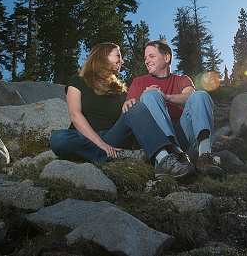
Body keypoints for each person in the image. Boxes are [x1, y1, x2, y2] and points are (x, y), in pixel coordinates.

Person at [49, 43, 196, 180]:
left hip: (112, 138)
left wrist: (131, 103)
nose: (122, 61)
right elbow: (75, 115)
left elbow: (131, 122)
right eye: (118, 56)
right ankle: (119, 155)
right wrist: (101, 144)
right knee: (59, 138)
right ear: (103, 57)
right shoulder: (78, 82)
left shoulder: (120, 91)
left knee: (136, 107)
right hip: (84, 137)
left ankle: (163, 159)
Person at [123, 39, 223, 176]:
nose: (146, 61)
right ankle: (174, 154)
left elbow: (190, 97)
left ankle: (205, 157)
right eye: (145, 58)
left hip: (182, 135)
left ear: (166, 57)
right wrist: (149, 96)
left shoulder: (181, 80)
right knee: (150, 95)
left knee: (201, 95)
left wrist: (166, 97)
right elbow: (132, 108)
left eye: (151, 56)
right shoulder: (139, 82)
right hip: (157, 140)